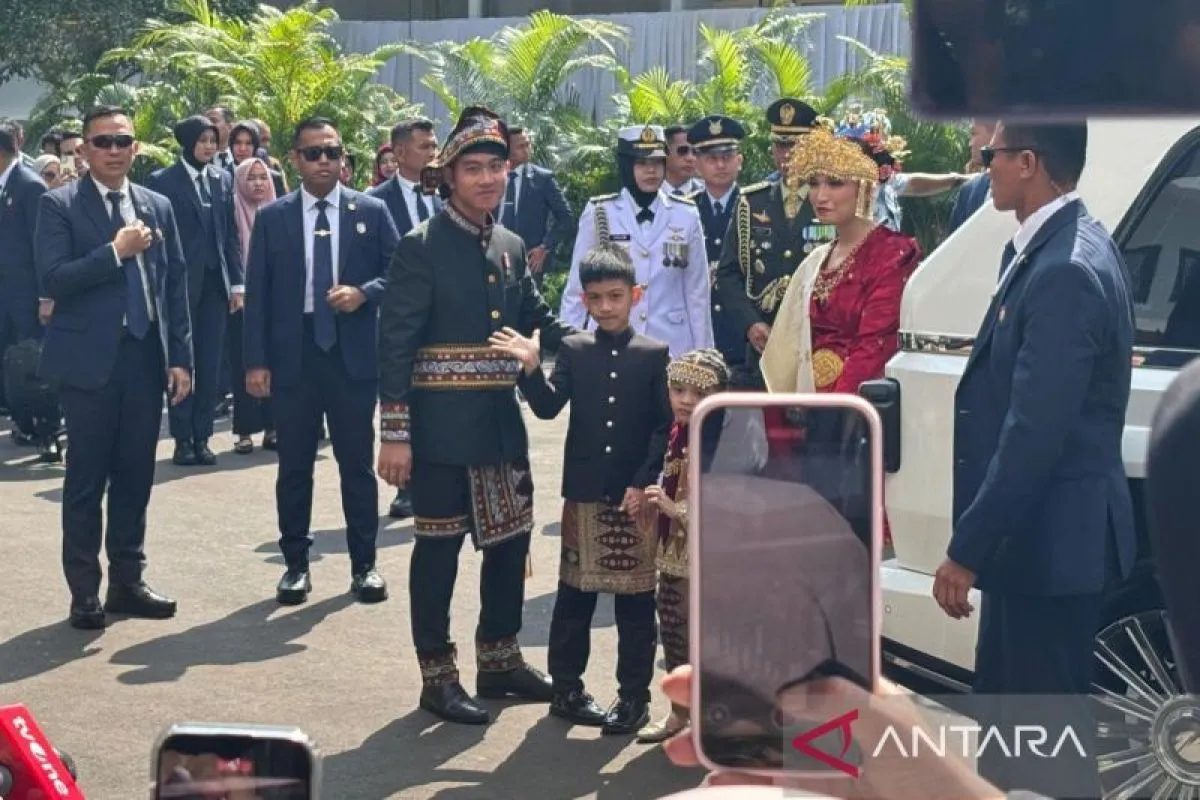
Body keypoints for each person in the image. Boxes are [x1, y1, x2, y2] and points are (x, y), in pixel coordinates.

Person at [934, 122, 1136, 796]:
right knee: (1015, 744)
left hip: (1048, 546)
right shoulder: (1054, 247)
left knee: (1045, 757)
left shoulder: (1066, 269)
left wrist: (968, 548)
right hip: (1035, 545)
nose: (981, 163)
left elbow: (1034, 433)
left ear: (1028, 162)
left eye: (991, 154)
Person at [375, 105, 575, 725]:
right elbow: (395, 346)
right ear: (449, 176)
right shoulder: (421, 246)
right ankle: (437, 677)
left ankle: (500, 661)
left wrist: (610, 342)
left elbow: (542, 320)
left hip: (500, 429)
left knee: (511, 546)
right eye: (474, 169)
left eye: (497, 166)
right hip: (437, 434)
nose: (488, 178)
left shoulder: (510, 245)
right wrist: (395, 435)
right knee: (438, 553)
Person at [490, 243, 672, 735]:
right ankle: (566, 691)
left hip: (634, 499)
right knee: (575, 600)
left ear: (635, 295)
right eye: (595, 298)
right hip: (585, 495)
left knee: (636, 606)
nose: (606, 307)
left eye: (616, 296)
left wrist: (643, 481)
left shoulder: (653, 354)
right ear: (583, 299)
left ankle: (633, 698)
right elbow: (548, 407)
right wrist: (530, 368)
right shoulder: (573, 349)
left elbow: (663, 427)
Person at [36, 104, 193, 629]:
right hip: (88, 363)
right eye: (102, 142)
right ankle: (84, 591)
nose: (113, 150)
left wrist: (181, 358)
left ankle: (128, 580)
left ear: (136, 147)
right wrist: (114, 251)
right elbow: (54, 278)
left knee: (135, 475)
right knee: (87, 479)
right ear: (83, 149)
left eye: (122, 141)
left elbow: (174, 285)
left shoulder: (156, 204)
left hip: (145, 357)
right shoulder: (58, 205)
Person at [242, 116, 398, 607]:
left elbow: (402, 271)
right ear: (295, 160)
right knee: (294, 467)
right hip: (296, 354)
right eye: (313, 153)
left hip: (351, 356)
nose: (324, 161)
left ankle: (364, 565)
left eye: (333, 152)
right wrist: (255, 362)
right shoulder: (274, 217)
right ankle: (295, 565)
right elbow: (258, 294)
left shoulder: (370, 211)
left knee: (356, 465)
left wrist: (364, 292)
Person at [637, 348, 730, 743]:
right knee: (674, 631)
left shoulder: (725, 436)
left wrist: (676, 509)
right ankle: (680, 714)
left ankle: (717, 724)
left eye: (699, 393)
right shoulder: (678, 431)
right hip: (675, 552)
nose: (687, 400)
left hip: (711, 558)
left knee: (712, 639)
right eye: (678, 390)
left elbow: (729, 500)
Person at [560, 125, 712, 358]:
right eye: (641, 163)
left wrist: (704, 355)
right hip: (611, 342)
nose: (651, 171)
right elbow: (577, 288)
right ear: (626, 165)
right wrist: (568, 351)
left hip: (672, 344)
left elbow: (697, 292)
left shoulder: (686, 214)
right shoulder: (600, 212)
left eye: (657, 163)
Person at [146, 115, 244, 467]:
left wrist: (237, 283)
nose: (209, 147)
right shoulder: (162, 181)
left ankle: (203, 437)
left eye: (213, 140)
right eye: (202, 140)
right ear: (187, 143)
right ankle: (182, 438)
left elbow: (230, 234)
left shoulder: (222, 178)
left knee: (210, 363)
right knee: (182, 362)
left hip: (215, 285)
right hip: (179, 285)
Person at [712, 102, 830, 387]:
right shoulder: (751, 202)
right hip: (764, 338)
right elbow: (727, 274)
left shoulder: (829, 200)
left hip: (817, 336)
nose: (786, 153)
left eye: (795, 145)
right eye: (780, 145)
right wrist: (750, 323)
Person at [368, 117, 442, 522]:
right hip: (399, 319)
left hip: (446, 314)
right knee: (402, 395)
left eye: (434, 145)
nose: (433, 152)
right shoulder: (376, 203)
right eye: (424, 146)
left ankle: (438, 481)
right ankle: (406, 487)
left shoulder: (451, 194)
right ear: (399, 153)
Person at [0, 119, 51, 449]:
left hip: (26, 295)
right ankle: (22, 422)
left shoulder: (30, 186)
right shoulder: (5, 184)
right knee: (11, 361)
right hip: (5, 294)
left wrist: (46, 295)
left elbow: (43, 245)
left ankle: (46, 429)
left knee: (33, 362)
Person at [686, 115, 747, 371]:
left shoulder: (756, 207)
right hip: (697, 329)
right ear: (697, 164)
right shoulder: (684, 210)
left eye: (727, 156)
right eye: (711, 158)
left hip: (743, 333)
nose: (720, 164)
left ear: (739, 161)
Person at [228, 157, 277, 455]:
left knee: (275, 362)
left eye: (263, 177)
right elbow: (230, 250)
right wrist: (237, 286)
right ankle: (244, 430)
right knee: (244, 364)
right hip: (242, 298)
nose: (258, 183)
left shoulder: (278, 209)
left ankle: (273, 427)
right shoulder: (232, 209)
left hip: (274, 297)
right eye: (251, 178)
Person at [496, 126, 575, 287]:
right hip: (494, 254)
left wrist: (545, 247)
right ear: (506, 149)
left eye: (528, 144)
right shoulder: (493, 176)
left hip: (529, 260)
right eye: (520, 146)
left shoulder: (542, 179)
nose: (527, 150)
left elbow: (565, 217)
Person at [948, 119, 999, 234]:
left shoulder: (1030, 190)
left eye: (974, 134)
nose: (970, 143)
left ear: (997, 132)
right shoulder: (968, 191)